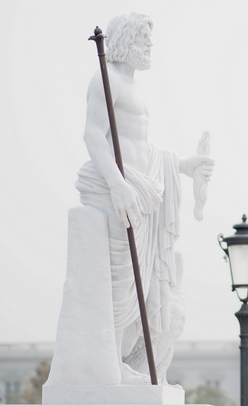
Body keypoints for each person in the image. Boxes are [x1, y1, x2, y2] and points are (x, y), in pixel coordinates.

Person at [47, 12, 213, 387]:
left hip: (141, 195)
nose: (150, 46)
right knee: (121, 284)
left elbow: (142, 146)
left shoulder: (132, 88)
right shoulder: (106, 81)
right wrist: (118, 184)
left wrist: (184, 165)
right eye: (143, 39)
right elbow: (93, 136)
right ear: (123, 40)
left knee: (143, 291)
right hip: (117, 193)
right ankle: (112, 364)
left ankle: (128, 363)